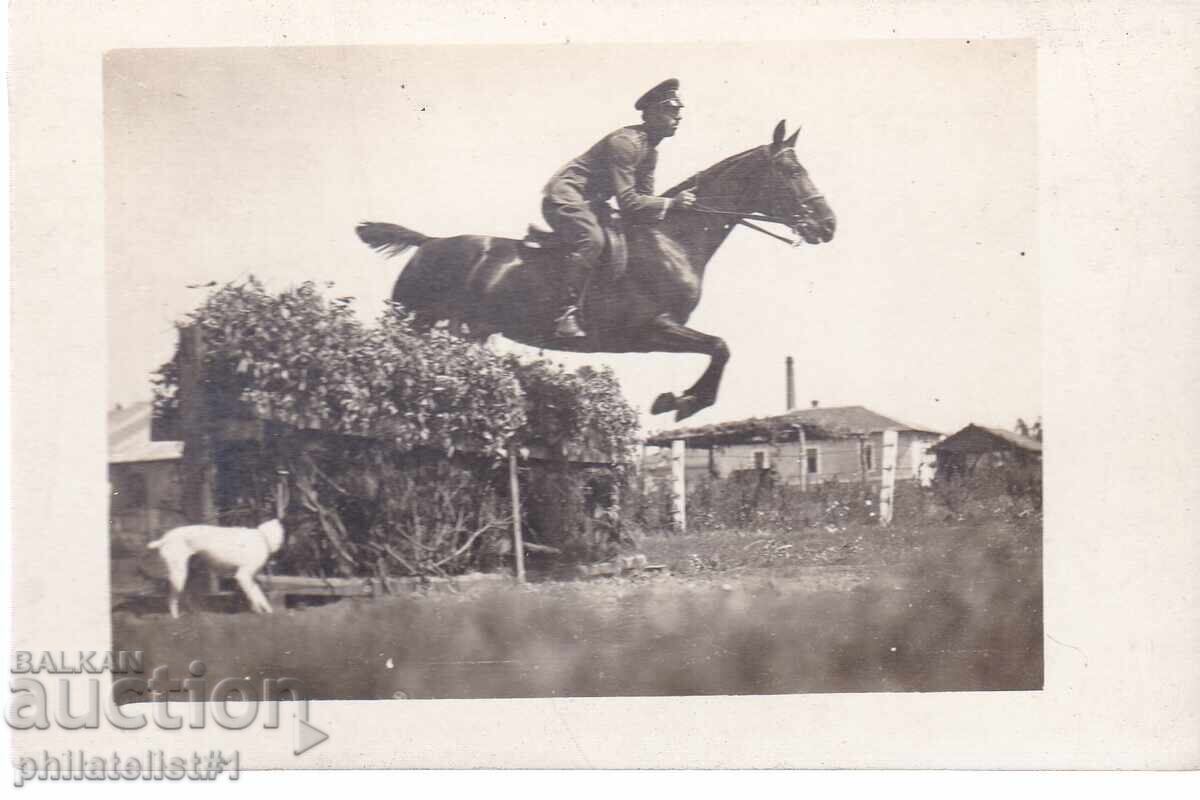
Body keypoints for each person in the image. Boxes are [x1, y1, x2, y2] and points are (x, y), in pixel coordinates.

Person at [542, 78, 697, 338]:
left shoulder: (650, 151)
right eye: (672, 111)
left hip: (591, 202)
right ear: (653, 113)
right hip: (567, 196)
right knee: (592, 240)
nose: (678, 117)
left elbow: (642, 202)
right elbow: (629, 201)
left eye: (679, 111)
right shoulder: (625, 143)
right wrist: (672, 203)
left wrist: (676, 209)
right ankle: (565, 313)